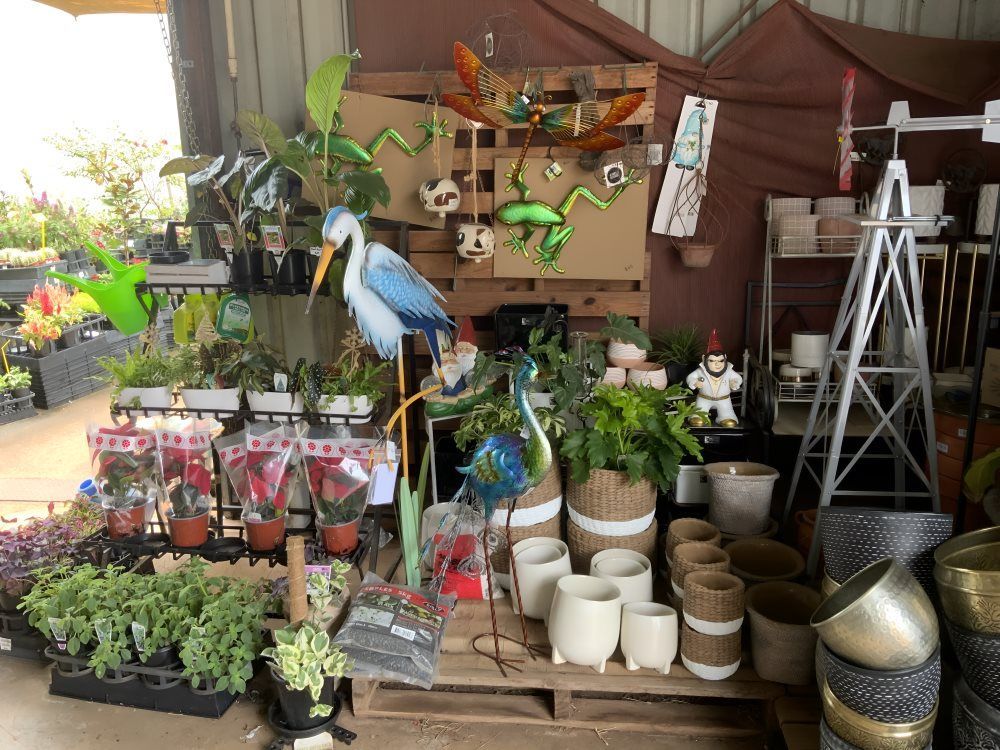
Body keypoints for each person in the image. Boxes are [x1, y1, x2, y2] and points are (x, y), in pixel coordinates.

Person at [685, 329, 742, 427]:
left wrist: (734, 382)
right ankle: (699, 416)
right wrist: (694, 382)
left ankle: (725, 417)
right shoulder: (701, 371)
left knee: (729, 422)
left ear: (725, 358)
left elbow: (738, 378)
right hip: (704, 399)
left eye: (720, 361)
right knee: (697, 420)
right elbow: (690, 377)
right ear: (704, 359)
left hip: (724, 400)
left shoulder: (728, 370)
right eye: (712, 361)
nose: (717, 364)